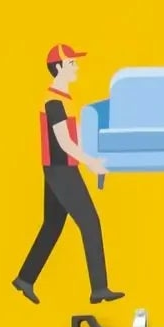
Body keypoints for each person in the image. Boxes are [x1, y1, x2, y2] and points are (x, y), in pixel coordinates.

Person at [14, 43, 122, 305]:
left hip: (59, 168)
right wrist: (91, 163)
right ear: (59, 67)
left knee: (52, 225)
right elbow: (64, 142)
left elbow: (75, 136)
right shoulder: (54, 101)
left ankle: (25, 279)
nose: (76, 67)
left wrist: (93, 154)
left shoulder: (64, 98)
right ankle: (99, 289)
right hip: (61, 170)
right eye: (72, 63)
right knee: (90, 223)